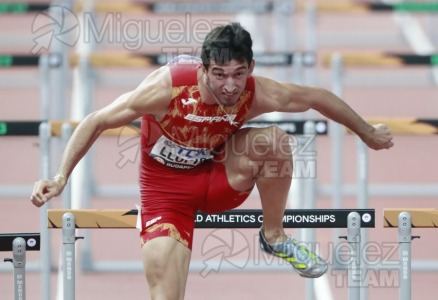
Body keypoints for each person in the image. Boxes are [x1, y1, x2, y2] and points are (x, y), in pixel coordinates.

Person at [31, 23, 394, 299]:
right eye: (219, 75)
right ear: (203, 70)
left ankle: (273, 235)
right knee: (166, 292)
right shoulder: (166, 89)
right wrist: (61, 175)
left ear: (250, 67)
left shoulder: (256, 93)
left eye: (238, 74)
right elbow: (96, 120)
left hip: (221, 176)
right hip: (165, 194)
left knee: (276, 141)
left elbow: (316, 97)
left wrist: (365, 131)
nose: (230, 86)